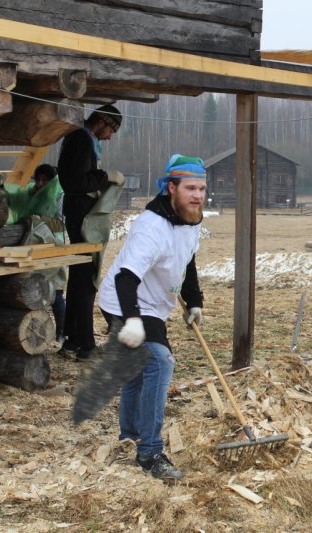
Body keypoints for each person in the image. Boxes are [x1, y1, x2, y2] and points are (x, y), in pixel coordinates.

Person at [97, 154, 207, 481]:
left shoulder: (191, 219)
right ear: (171, 187)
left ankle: (129, 435)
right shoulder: (151, 227)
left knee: (137, 369)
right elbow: (126, 278)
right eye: (190, 189)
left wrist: (195, 301)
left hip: (154, 305)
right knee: (160, 361)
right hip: (124, 302)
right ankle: (150, 452)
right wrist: (131, 321)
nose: (197, 196)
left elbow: (187, 261)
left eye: (201, 189)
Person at [57, 104, 125, 360]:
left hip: (78, 214)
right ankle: (85, 345)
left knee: (79, 278)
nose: (109, 137)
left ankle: (73, 340)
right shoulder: (82, 140)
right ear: (102, 122)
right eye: (110, 131)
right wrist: (105, 177)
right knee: (86, 281)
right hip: (83, 217)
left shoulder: (79, 139)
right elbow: (75, 182)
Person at [31, 163, 68, 349]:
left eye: (44, 180)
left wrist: (39, 220)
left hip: (55, 245)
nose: (40, 183)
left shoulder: (61, 195)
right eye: (38, 180)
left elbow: (61, 223)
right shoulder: (35, 193)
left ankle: (63, 333)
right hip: (36, 245)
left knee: (56, 292)